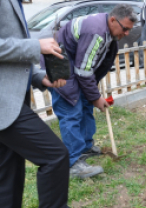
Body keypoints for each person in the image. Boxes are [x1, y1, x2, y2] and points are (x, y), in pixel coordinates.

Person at [45, 4, 137, 179]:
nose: (126, 33)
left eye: (129, 30)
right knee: (71, 111)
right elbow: (83, 71)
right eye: (125, 29)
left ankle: (85, 147)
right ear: (112, 20)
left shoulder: (108, 30)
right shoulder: (96, 32)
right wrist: (96, 97)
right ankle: (73, 163)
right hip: (62, 68)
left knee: (86, 106)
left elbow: (90, 64)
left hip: (77, 67)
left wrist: (92, 94)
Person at [0, 0, 70, 207]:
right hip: (4, 105)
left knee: (8, 176)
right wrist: (36, 46)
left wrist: (39, 77)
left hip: (10, 102)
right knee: (55, 157)